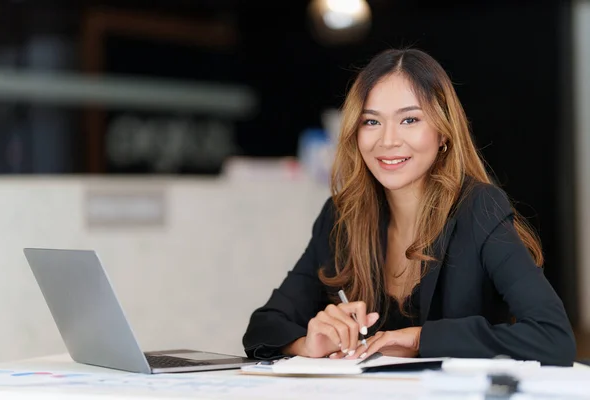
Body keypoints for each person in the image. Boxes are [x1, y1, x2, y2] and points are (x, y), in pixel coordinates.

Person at [242, 48, 576, 366]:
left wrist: (420, 339)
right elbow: (264, 326)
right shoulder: (341, 217)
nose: (387, 140)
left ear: (443, 133)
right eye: (371, 122)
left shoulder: (478, 209)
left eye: (409, 120)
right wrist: (307, 345)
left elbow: (552, 337)